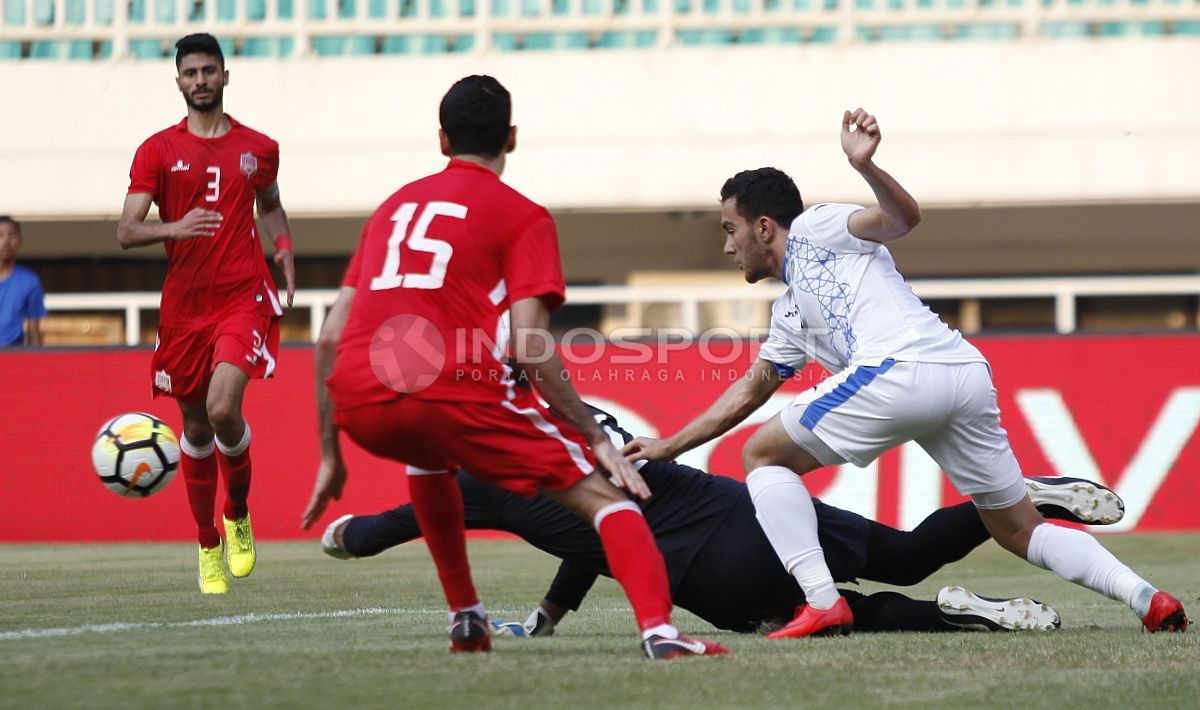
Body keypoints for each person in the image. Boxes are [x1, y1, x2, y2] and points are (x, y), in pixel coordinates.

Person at [623, 109, 1189, 638]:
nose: (727, 246)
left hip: (901, 369)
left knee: (762, 457)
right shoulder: (789, 315)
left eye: (730, 229)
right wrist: (670, 445)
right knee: (1015, 528)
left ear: (765, 227)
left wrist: (866, 166)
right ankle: (1147, 598)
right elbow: (751, 390)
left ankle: (822, 601)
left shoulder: (818, 226)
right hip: (961, 373)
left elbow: (902, 218)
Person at [301, 75, 725, 659]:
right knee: (610, 502)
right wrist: (594, 435)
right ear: (513, 138)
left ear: (443, 140)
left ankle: (467, 619)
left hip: (359, 397)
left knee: (428, 465)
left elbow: (328, 336)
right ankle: (660, 633)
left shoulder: (391, 210)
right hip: (455, 390)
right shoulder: (522, 215)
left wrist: (330, 453)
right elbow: (530, 344)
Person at [321, 405, 1133, 635]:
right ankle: (1026, 495)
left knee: (846, 618)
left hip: (714, 578)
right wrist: (546, 613)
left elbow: (383, 529)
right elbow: (599, 531)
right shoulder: (592, 428)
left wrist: (341, 534)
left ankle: (963, 621)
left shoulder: (485, 478)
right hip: (753, 510)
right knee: (913, 552)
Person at [117, 33, 296, 595]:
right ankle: (206, 541)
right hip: (183, 309)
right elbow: (126, 230)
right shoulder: (156, 151)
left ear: (225, 76)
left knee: (223, 408)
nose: (200, 80)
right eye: (190, 72)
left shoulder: (259, 147)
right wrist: (175, 226)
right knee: (194, 424)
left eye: (208, 71)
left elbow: (269, 204)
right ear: (178, 81)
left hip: (241, 295)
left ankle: (237, 514)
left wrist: (285, 252)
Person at [0, 216, 47, 347]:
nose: (6, 242)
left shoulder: (29, 281)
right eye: (0, 235)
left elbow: (33, 330)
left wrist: (38, 363)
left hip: (14, 354)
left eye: (12, 236)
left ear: (19, 241)